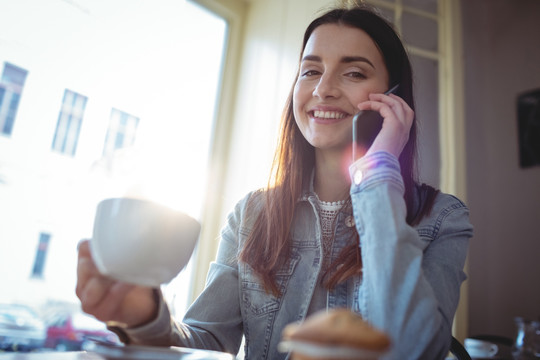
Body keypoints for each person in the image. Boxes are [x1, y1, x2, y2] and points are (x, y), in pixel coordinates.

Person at [76, 4, 473, 359]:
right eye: (311, 70)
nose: (323, 89)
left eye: (353, 72)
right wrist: (145, 316)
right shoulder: (251, 214)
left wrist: (376, 173)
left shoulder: (443, 218)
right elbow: (208, 343)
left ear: (393, 98)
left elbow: (413, 349)